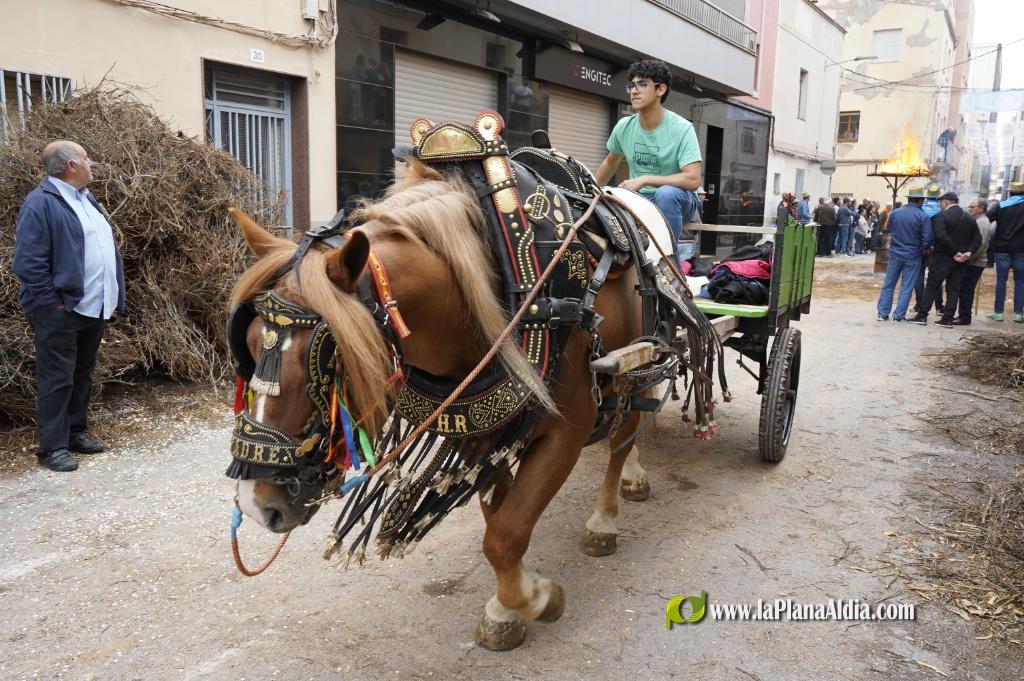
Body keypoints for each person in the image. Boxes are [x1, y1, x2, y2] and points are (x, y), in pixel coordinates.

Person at [12, 140, 125, 472]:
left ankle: (75, 432)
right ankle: (53, 447)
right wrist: (52, 303)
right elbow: (28, 263)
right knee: (57, 377)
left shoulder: (86, 199)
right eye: (87, 158)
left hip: (92, 305)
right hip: (60, 309)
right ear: (71, 166)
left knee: (81, 373)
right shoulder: (41, 204)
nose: (93, 163)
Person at [595, 59, 702, 262]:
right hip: (641, 199)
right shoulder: (624, 126)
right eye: (631, 85)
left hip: (680, 200)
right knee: (610, 199)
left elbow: (692, 180)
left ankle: (668, 263)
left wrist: (645, 179)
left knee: (666, 194)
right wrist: (591, 192)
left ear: (660, 90)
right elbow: (610, 162)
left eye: (642, 84)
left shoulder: (682, 128)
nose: (634, 91)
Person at [910, 191, 981, 326]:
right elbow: (978, 239)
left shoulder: (940, 217)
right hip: (962, 260)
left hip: (942, 258)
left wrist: (954, 253)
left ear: (945, 202)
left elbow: (942, 237)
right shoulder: (970, 218)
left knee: (932, 286)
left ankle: (922, 315)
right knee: (953, 289)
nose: (940, 205)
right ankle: (947, 318)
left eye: (940, 203)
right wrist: (968, 253)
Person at [876, 186, 933, 323]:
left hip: (895, 253)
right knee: (907, 286)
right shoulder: (923, 215)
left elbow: (888, 229)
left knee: (889, 284)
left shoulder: (895, 213)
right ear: (921, 200)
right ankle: (898, 316)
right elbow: (927, 238)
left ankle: (883, 314)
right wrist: (920, 249)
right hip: (913, 255)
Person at [985, 181, 1024, 322]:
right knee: (1020, 280)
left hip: (1002, 248)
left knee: (1001, 280)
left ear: (1010, 192)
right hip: (1021, 250)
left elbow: (986, 219)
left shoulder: (1001, 205)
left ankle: (998, 312)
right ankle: (1019, 314)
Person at [952, 199, 993, 325]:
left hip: (975, 262)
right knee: (965, 289)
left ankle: (964, 317)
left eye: (972, 206)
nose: (970, 208)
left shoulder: (982, 222)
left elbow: (981, 244)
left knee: (966, 290)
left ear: (981, 208)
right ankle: (963, 315)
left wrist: (969, 257)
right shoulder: (978, 220)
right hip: (973, 260)